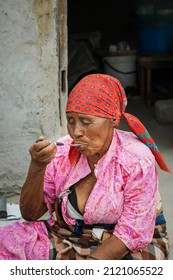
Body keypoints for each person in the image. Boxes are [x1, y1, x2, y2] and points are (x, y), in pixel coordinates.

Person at [0, 74, 171, 260]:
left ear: (113, 119)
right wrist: (37, 167)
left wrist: (88, 269)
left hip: (127, 245)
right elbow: (30, 214)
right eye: (71, 121)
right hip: (71, 236)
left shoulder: (137, 159)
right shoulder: (61, 153)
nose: (76, 133)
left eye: (86, 122)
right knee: (7, 241)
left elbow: (132, 233)